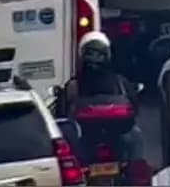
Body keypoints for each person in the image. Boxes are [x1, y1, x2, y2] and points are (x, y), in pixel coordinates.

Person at [59, 32, 148, 181]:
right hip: (119, 135)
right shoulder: (120, 82)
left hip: (84, 139)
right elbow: (135, 107)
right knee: (136, 140)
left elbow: (62, 115)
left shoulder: (72, 86)